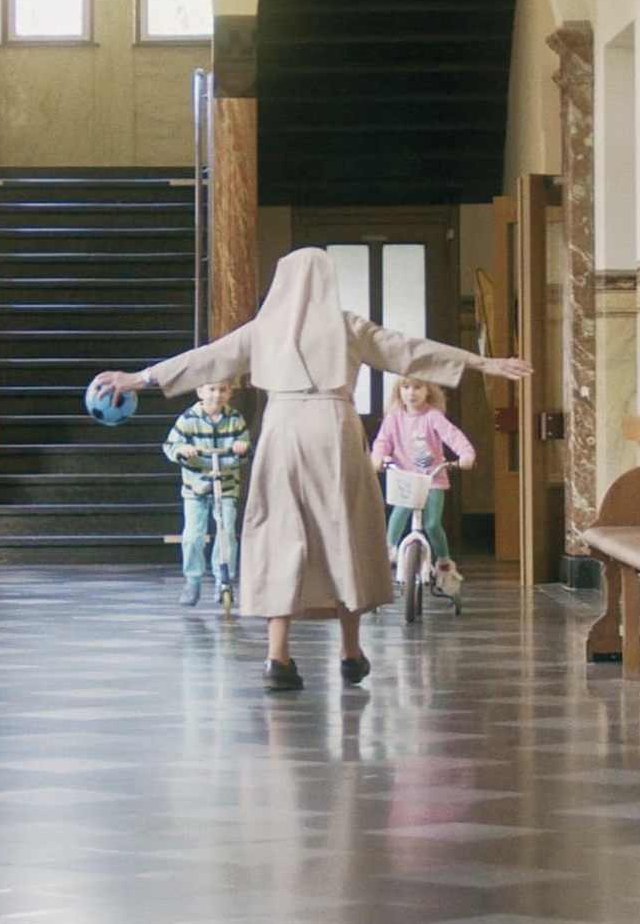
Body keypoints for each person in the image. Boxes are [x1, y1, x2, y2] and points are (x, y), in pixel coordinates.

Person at [93, 247, 531, 692]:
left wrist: (140, 377)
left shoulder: (264, 329)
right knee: (344, 532)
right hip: (335, 429)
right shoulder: (347, 326)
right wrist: (482, 362)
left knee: (278, 534)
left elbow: (207, 359)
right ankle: (350, 650)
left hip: (282, 430)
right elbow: (409, 351)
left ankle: (277, 657)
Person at [162, 380, 251, 607]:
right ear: (200, 391)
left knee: (226, 534)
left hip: (226, 486)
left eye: (223, 390)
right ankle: (192, 580)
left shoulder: (234, 420)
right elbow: (171, 446)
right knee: (193, 537)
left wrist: (242, 448)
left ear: (230, 393)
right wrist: (182, 450)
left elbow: (244, 446)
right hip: (196, 488)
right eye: (212, 390)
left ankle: (224, 579)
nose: (217, 395)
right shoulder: (188, 419)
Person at [371, 377, 476, 568]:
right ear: (399, 392)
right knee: (400, 511)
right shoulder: (394, 417)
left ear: (428, 390)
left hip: (432, 479)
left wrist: (466, 454)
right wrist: (378, 457)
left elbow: (453, 436)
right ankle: (389, 549)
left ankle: (444, 562)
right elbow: (382, 441)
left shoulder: (432, 416)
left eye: (418, 387)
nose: (412, 392)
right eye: (406, 387)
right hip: (406, 478)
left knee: (432, 524)